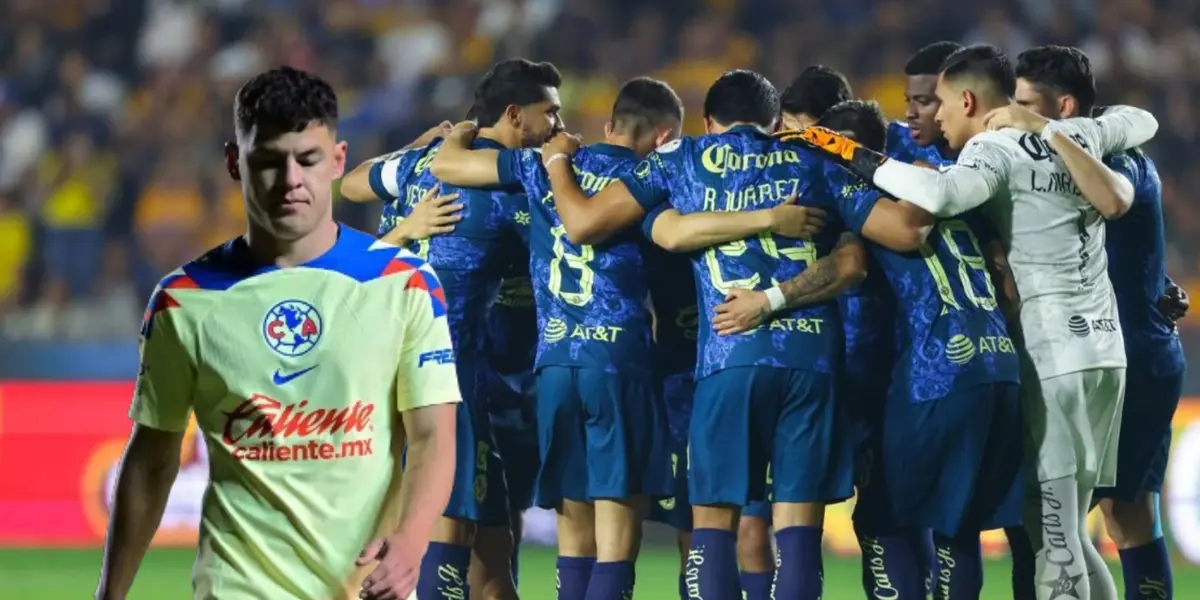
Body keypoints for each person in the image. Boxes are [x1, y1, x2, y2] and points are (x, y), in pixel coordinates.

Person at [430, 75, 821, 600]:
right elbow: (675, 234)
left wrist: (463, 130)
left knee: (573, 535)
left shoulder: (541, 166)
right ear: (665, 137)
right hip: (618, 365)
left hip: (554, 366)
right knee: (618, 541)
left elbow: (446, 164)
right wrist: (770, 218)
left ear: (610, 125)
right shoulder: (648, 181)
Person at [795, 44, 1158, 600]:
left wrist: (837, 147)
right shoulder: (1080, 134)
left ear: (967, 99)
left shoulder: (993, 149)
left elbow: (936, 196)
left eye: (940, 103)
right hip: (1105, 354)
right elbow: (1142, 119)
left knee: (1055, 540)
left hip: (1053, 355)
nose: (936, 116)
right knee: (1067, 531)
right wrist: (1046, 123)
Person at [94, 66, 460, 600]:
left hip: (363, 590)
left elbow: (433, 436)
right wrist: (110, 595)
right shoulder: (184, 300)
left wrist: (411, 540)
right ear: (233, 163)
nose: (291, 180)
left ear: (337, 161)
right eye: (269, 161)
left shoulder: (403, 283)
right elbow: (152, 458)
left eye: (308, 160)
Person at [543, 69, 862, 600]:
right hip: (812, 360)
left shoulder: (680, 158)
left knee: (713, 525)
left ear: (709, 122)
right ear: (775, 121)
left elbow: (617, 226)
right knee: (799, 535)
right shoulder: (816, 159)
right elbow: (859, 257)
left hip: (727, 355)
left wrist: (556, 159)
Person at [778, 99, 1026, 599]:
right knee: (960, 523)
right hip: (1000, 364)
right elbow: (1010, 285)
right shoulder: (955, 190)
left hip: (936, 373)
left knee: (882, 515)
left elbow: (897, 235)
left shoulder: (858, 185)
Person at [340, 58, 565, 599]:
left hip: (392, 367)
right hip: (453, 376)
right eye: (549, 113)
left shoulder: (419, 165)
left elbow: (349, 185)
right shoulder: (515, 183)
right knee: (450, 527)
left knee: (492, 547)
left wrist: (419, 153)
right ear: (515, 115)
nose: (558, 125)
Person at [1013, 44, 1188, 600]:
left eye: (1026, 105)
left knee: (1094, 514)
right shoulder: (1088, 154)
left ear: (1063, 109)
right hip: (1128, 347)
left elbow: (1114, 208)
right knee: (1113, 514)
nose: (1015, 115)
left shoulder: (1115, 158)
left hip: (1124, 354)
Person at [889, 41, 964, 165]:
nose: (910, 113)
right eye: (909, 101)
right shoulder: (896, 141)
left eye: (923, 102)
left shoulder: (993, 160)